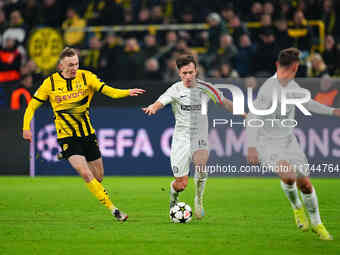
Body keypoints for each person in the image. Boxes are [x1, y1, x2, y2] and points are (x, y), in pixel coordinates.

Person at [22, 47, 145, 222]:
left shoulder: (86, 76)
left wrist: (127, 92)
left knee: (98, 177)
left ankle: (66, 155)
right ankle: (114, 210)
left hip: (87, 135)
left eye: (76, 64)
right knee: (86, 174)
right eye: (70, 64)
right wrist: (26, 127)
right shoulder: (50, 83)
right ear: (61, 65)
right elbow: (31, 106)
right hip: (66, 137)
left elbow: (109, 91)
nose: (74, 67)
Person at [246, 48, 340, 240]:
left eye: (290, 71)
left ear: (295, 69)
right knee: (288, 175)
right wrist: (252, 146)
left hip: (289, 141)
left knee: (305, 183)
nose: (287, 74)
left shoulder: (293, 87)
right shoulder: (268, 90)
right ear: (277, 67)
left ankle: (317, 224)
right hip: (268, 143)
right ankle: (297, 208)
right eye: (285, 70)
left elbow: (308, 103)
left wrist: (332, 112)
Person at [142, 55, 233, 219]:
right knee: (181, 184)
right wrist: (153, 107)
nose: (188, 76)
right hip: (181, 138)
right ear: (179, 73)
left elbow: (224, 101)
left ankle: (199, 198)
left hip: (200, 134)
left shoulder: (206, 88)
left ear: (196, 71)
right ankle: (173, 198)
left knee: (201, 164)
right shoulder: (175, 90)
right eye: (184, 73)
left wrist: (244, 113)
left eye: (191, 72)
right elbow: (161, 101)